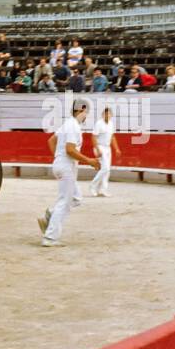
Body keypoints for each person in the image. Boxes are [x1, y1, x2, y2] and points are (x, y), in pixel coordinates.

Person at [39, 99, 98, 247]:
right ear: (80, 111)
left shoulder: (67, 124)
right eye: (86, 112)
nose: (86, 116)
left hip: (61, 165)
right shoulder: (73, 127)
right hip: (66, 167)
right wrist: (89, 161)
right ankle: (50, 237)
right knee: (64, 202)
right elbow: (70, 150)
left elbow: (51, 141)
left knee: (76, 198)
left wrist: (58, 158)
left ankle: (51, 215)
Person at [89, 105, 121, 197]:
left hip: (107, 148)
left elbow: (112, 137)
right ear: (103, 115)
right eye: (106, 114)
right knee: (105, 168)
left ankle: (103, 189)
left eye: (109, 114)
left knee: (107, 170)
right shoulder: (99, 123)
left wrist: (116, 148)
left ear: (111, 115)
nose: (108, 116)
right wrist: (97, 149)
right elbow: (93, 137)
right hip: (99, 147)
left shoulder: (111, 123)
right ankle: (93, 185)